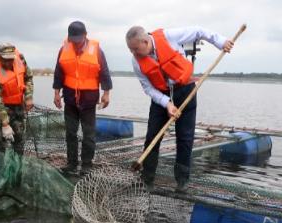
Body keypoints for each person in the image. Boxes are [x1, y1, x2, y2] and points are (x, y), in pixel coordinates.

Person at [125, 26, 234, 190]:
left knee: (185, 138)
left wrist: (221, 42)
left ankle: (182, 182)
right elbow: (148, 88)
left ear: (145, 41)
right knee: (152, 137)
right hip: (161, 97)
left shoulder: (170, 36)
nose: (134, 53)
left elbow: (199, 31)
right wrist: (166, 103)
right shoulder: (136, 61)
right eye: (131, 49)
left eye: (135, 48)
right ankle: (146, 180)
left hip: (185, 91)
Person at [53, 21, 112, 176]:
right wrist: (56, 93)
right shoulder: (63, 50)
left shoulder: (97, 51)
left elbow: (104, 73)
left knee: (88, 134)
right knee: (70, 133)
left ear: (85, 35)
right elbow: (58, 73)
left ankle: (86, 165)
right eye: (73, 40)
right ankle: (71, 163)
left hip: (89, 100)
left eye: (79, 40)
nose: (76, 44)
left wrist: (106, 93)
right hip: (70, 99)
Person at [0, 42, 34, 155]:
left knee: (19, 139)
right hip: (2, 107)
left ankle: (18, 166)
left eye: (11, 59)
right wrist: (4, 123)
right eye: (5, 59)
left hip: (18, 106)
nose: (9, 62)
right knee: (1, 142)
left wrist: (28, 97)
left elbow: (28, 78)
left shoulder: (20, 59)